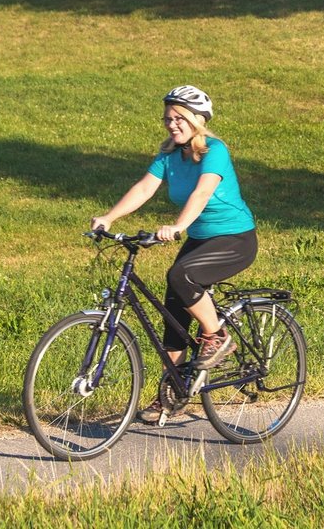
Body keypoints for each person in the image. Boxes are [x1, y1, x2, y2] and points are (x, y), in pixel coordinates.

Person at [91, 85, 257, 421]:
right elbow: (144, 187)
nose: (171, 124)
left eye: (179, 117)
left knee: (182, 275)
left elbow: (202, 192)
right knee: (173, 311)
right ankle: (172, 391)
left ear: (197, 120)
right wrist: (109, 218)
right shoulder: (168, 155)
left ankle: (217, 336)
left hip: (235, 239)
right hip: (200, 239)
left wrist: (178, 226)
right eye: (168, 118)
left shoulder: (214, 151)